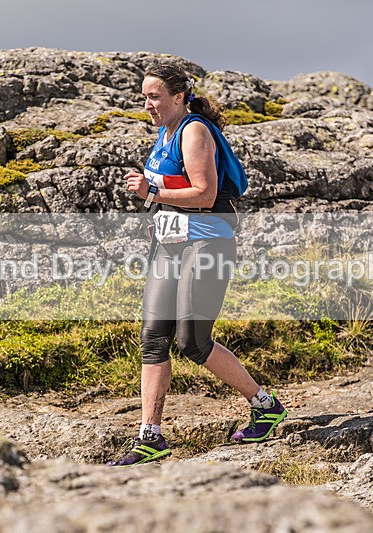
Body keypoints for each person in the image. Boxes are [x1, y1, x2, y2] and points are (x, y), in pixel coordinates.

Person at [106, 63, 287, 467]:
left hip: (206, 245)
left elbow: (205, 194)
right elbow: (173, 194)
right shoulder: (163, 135)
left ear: (178, 96)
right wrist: (156, 212)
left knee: (192, 342)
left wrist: (151, 189)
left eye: (154, 96)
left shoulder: (193, 131)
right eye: (144, 97)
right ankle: (149, 435)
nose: (147, 104)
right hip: (170, 248)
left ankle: (265, 404)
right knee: (153, 338)